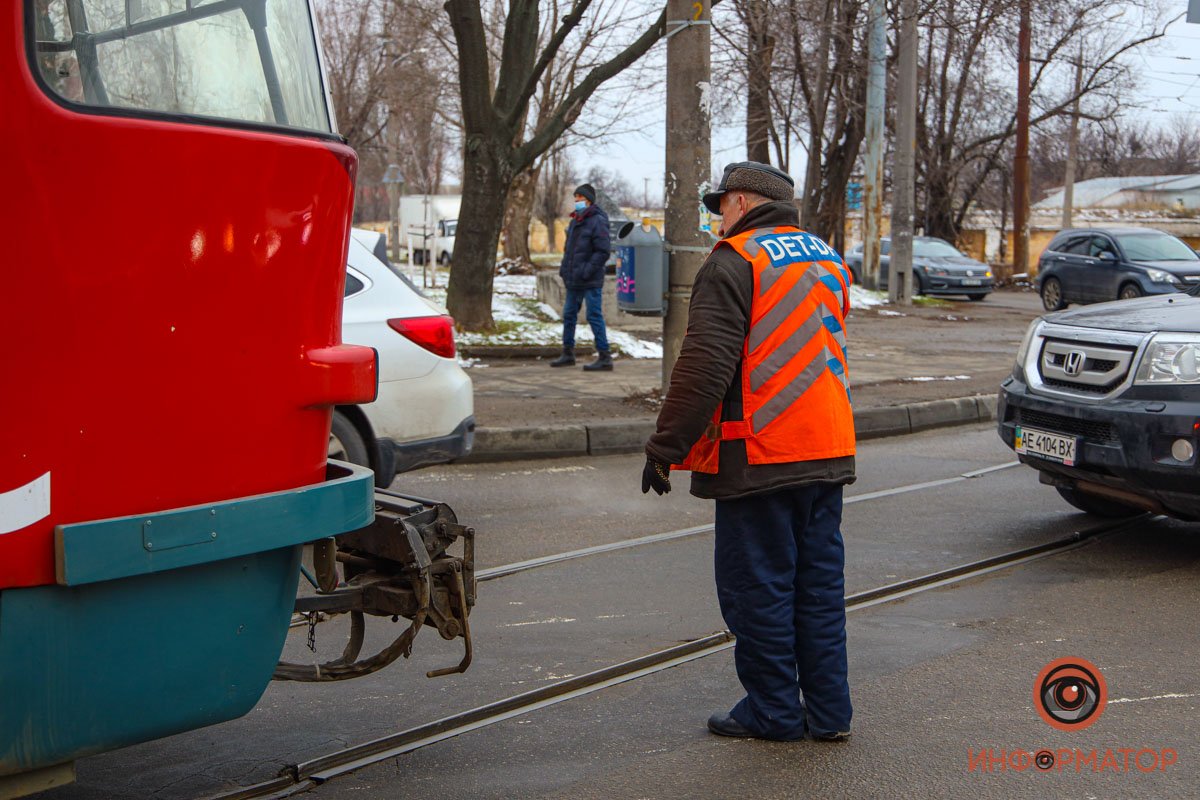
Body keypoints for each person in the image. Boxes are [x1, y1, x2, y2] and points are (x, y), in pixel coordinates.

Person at [641, 161, 855, 742]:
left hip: (761, 452)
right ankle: (830, 713)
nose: (718, 220)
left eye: (721, 208)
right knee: (818, 590)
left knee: (759, 591)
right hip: (827, 448)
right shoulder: (827, 258)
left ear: (741, 202)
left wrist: (665, 446)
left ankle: (774, 713)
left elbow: (705, 365)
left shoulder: (736, 260)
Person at [551, 183, 613, 371]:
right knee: (569, 315)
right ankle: (567, 353)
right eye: (576, 197)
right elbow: (569, 250)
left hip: (590, 280)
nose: (577, 200)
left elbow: (603, 251)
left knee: (594, 315)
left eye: (581, 197)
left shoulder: (598, 221)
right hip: (573, 279)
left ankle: (605, 356)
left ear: (589, 201)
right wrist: (565, 270)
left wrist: (586, 271)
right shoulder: (575, 221)